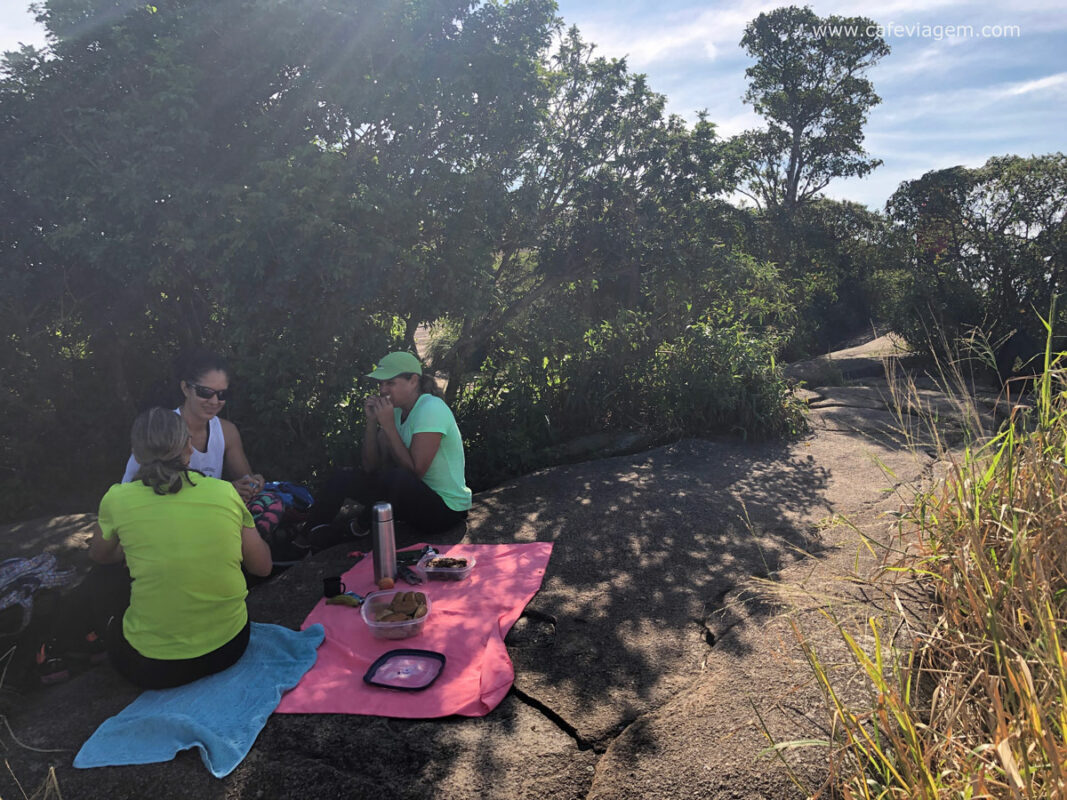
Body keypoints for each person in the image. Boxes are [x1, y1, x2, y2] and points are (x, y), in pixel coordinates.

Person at [90, 408, 273, 689]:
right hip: (229, 647)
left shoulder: (117, 499)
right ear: (188, 446)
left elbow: (100, 556)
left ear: (135, 454)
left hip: (153, 667)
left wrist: (132, 549)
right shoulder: (223, 491)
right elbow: (262, 567)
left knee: (104, 582)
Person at [306, 352, 471, 540]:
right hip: (411, 501)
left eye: (390, 383)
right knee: (343, 476)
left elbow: (415, 473)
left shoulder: (431, 408)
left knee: (397, 476)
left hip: (445, 511)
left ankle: (357, 529)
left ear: (413, 381)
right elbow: (371, 467)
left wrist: (388, 426)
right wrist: (371, 423)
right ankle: (305, 538)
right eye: (380, 384)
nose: (383, 390)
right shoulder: (396, 411)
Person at [121, 350, 264, 502]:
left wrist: (252, 484)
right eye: (205, 392)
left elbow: (244, 480)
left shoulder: (227, 432)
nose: (215, 402)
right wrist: (225, 490)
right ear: (185, 389)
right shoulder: (161, 428)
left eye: (222, 395)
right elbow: (136, 490)